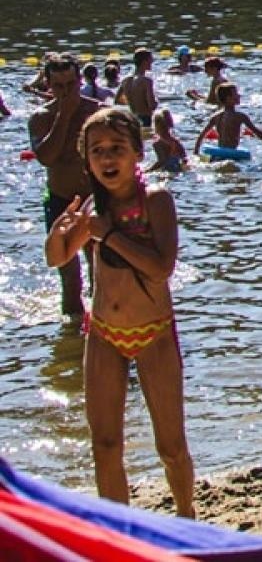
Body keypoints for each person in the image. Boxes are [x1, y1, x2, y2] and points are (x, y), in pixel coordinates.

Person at [45, 109, 193, 515]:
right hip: (105, 333)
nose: (108, 159)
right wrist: (59, 233)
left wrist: (107, 233)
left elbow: (162, 268)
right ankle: (116, 529)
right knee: (105, 444)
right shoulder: (96, 205)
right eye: (98, 152)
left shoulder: (155, 200)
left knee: (171, 445)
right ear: (87, 160)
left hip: (154, 332)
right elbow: (58, 259)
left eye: (117, 149)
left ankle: (187, 520)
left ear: (137, 154)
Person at [29, 53, 103, 317]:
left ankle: (99, 336)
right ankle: (71, 338)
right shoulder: (41, 117)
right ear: (48, 85)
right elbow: (46, 157)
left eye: (70, 85)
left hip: (96, 201)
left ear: (79, 80)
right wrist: (63, 115)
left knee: (101, 275)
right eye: (58, 86)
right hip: (61, 201)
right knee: (70, 280)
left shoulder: (97, 112)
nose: (65, 91)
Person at [193, 84, 262, 159]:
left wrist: (196, 151)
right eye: (235, 94)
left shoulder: (215, 116)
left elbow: (202, 135)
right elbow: (257, 132)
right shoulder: (239, 116)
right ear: (228, 98)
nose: (239, 95)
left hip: (219, 153)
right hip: (233, 155)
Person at [113, 48, 158, 128]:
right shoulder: (147, 81)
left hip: (132, 118)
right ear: (144, 62)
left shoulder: (125, 80)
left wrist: (132, 101)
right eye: (150, 61)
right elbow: (152, 105)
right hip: (146, 119)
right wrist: (157, 101)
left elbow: (117, 101)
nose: (152, 63)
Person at [150, 109, 187, 174]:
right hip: (178, 169)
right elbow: (184, 157)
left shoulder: (157, 143)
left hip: (167, 171)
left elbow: (161, 161)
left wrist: (149, 170)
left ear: (155, 126)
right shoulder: (176, 141)